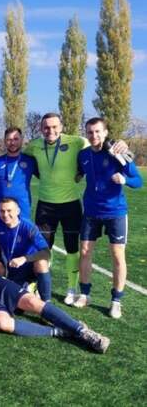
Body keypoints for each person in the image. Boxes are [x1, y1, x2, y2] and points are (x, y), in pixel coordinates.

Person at [74, 117, 142, 318]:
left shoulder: (117, 152)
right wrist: (76, 176)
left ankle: (116, 301)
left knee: (117, 255)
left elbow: (138, 181)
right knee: (85, 252)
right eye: (90, 132)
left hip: (115, 212)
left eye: (98, 131)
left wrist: (124, 180)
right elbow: (80, 172)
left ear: (105, 132)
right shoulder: (83, 155)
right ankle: (85, 294)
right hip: (91, 211)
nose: (94, 135)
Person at [22, 113, 90, 305]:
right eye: (46, 127)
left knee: (72, 248)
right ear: (41, 128)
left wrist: (81, 172)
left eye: (54, 127)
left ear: (61, 127)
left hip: (71, 204)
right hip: (46, 205)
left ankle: (71, 289)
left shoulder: (77, 141)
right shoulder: (34, 145)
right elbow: (21, 155)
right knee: (42, 248)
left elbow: (93, 149)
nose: (50, 130)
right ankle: (39, 285)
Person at [0, 198, 52, 302]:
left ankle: (46, 302)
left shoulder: (28, 227)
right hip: (11, 267)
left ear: (18, 211)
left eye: (9, 211)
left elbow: (46, 253)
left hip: (29, 266)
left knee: (42, 263)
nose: (5, 215)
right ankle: (29, 287)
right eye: (2, 211)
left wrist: (24, 258)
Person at [0, 127, 37, 221]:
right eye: (9, 139)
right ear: (4, 141)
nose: (12, 143)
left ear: (22, 140)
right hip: (0, 211)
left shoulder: (30, 161)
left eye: (16, 139)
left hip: (23, 210)